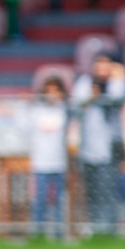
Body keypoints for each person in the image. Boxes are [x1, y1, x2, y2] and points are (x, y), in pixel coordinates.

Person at [71, 53, 125, 236]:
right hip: (88, 145)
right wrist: (91, 97)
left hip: (109, 147)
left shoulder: (116, 83)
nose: (102, 69)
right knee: (91, 191)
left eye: (107, 65)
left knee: (108, 190)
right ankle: (94, 228)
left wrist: (118, 76)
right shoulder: (85, 82)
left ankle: (109, 230)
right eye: (99, 65)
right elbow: (76, 106)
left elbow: (119, 97)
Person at [28, 75, 70, 239]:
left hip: (59, 160)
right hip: (41, 160)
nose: (52, 94)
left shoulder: (65, 109)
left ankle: (59, 232)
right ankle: (38, 232)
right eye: (49, 91)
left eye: (56, 90)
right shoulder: (36, 110)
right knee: (40, 198)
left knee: (59, 199)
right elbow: (25, 126)